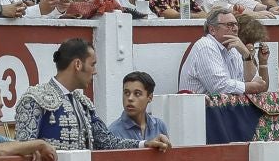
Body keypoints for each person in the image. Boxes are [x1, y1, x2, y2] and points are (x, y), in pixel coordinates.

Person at [14, 38, 171, 150]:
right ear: (77, 64)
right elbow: (23, 149)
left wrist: (144, 143)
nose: (95, 71)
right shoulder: (35, 99)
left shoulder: (83, 104)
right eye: (92, 64)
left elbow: (106, 142)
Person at [176, 8, 267, 95]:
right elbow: (219, 87)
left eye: (236, 24)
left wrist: (246, 55)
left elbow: (254, 81)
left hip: (224, 104)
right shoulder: (206, 45)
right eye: (229, 25)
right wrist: (250, 87)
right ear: (212, 30)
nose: (235, 29)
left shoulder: (234, 48)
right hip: (200, 105)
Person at [109, 70, 170, 143]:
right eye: (126, 93)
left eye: (137, 94)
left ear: (150, 97)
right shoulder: (113, 132)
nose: (130, 98)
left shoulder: (159, 126)